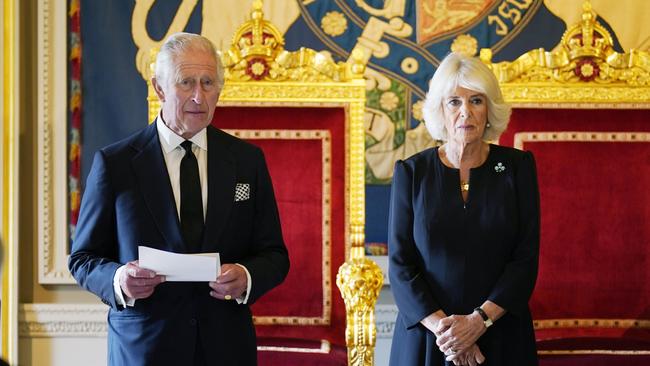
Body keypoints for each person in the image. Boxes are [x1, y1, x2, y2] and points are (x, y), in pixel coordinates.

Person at [69, 32, 290, 366]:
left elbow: (275, 254)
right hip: (145, 347)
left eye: (208, 83)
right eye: (186, 83)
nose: (199, 97)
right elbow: (82, 258)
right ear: (159, 88)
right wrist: (119, 280)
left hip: (226, 347)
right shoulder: (115, 164)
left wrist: (246, 276)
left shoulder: (247, 161)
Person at [388, 52, 540, 366]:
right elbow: (401, 265)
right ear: (440, 110)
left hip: (500, 335)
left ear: (489, 109)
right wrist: (450, 334)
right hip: (429, 340)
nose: (465, 113)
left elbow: (525, 260)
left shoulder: (516, 167)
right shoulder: (411, 172)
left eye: (476, 101)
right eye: (454, 102)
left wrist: (478, 322)